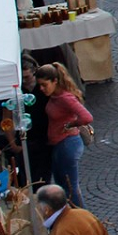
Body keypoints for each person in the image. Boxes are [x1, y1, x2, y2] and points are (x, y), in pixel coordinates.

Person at [36, 62, 94, 209]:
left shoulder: (65, 98)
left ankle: (83, 218)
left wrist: (70, 125)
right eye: (40, 85)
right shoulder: (55, 97)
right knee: (64, 186)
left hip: (68, 144)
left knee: (70, 187)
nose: (41, 89)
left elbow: (86, 117)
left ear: (55, 81)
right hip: (60, 145)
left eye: (44, 84)